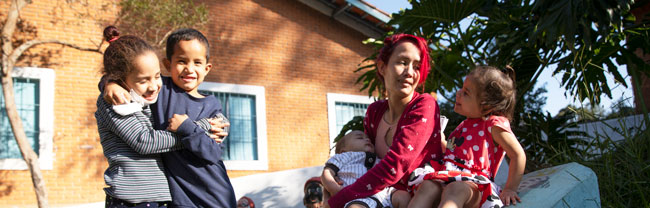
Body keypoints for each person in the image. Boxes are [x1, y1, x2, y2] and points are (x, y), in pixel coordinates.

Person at [103, 28, 237, 207]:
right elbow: (131, 75)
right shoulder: (160, 89)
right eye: (182, 61)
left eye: (197, 62)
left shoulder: (212, 107)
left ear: (207, 69)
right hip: (179, 198)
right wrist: (110, 84)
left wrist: (187, 127)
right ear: (167, 64)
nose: (189, 69)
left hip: (214, 196)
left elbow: (212, 153)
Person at [327, 34, 443, 208]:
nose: (410, 72)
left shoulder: (424, 104)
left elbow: (395, 165)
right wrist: (329, 176)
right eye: (403, 62)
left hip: (420, 198)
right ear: (382, 67)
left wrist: (339, 199)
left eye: (417, 66)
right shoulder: (374, 112)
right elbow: (365, 160)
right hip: (380, 196)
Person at [407, 66, 526, 208]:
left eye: (466, 93)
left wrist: (510, 188)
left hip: (473, 185)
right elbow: (452, 152)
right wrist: (441, 140)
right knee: (427, 186)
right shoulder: (463, 126)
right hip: (447, 175)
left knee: (455, 190)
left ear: (486, 106)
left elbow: (518, 154)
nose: (458, 93)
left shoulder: (492, 124)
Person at [322, 130, 411, 208]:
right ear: (343, 150)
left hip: (383, 195)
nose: (367, 139)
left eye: (368, 138)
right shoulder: (342, 157)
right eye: (360, 138)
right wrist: (333, 188)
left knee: (404, 196)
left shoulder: (378, 158)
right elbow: (327, 172)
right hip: (356, 198)